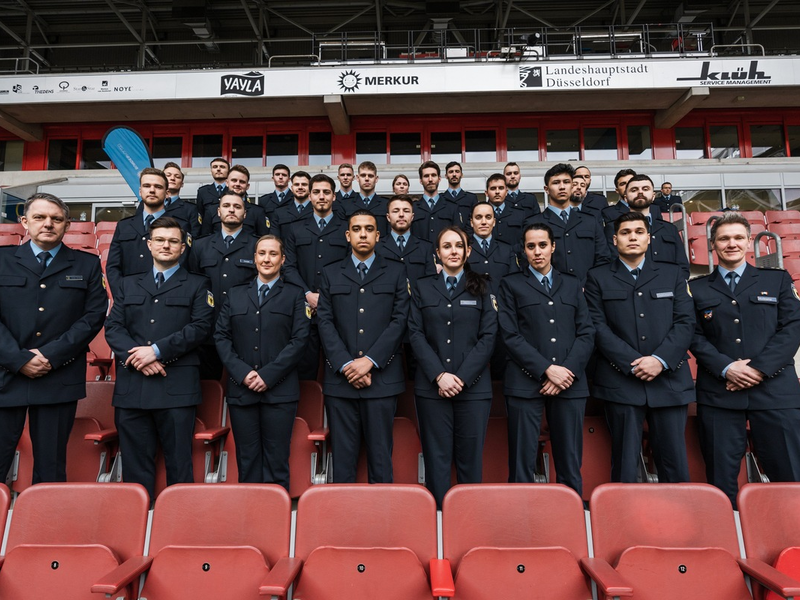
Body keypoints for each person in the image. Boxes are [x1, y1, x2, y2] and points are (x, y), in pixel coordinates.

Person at [689, 212, 800, 506]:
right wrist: (726, 368)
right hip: (720, 394)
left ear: (749, 242)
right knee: (720, 481)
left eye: (738, 237)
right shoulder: (696, 288)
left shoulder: (777, 280)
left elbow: (792, 328)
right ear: (713, 244)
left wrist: (759, 370)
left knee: (789, 476)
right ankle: (727, 543)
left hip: (775, 393)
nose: (731, 244)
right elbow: (692, 335)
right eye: (724, 238)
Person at [0, 193, 107, 485]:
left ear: (67, 224)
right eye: (39, 217)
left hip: (57, 375)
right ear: (24, 222)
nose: (48, 224)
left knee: (51, 467)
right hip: (5, 375)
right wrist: (19, 359)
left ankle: (45, 529)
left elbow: (93, 316)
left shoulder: (86, 265)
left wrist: (50, 356)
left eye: (56, 219)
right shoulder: (2, 259)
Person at [105, 216, 214, 501]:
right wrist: (140, 356)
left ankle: (180, 531)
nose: (167, 245)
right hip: (133, 388)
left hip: (175, 388)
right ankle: (138, 529)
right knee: (135, 468)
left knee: (179, 465)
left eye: (173, 241)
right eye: (161, 240)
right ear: (149, 245)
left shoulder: (198, 285)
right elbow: (113, 328)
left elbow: (200, 328)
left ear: (182, 248)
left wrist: (156, 351)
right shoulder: (129, 285)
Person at [585, 212, 694, 484]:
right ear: (614, 239)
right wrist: (634, 362)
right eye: (625, 232)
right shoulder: (597, 277)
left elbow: (685, 323)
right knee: (624, 463)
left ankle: (680, 522)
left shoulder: (672, 274)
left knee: (674, 461)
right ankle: (624, 522)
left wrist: (659, 360)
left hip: (668, 380)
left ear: (648, 238)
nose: (632, 237)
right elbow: (597, 326)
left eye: (638, 231)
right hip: (621, 381)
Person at [499, 223, 594, 494]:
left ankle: (571, 518)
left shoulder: (573, 283)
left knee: (569, 459)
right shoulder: (511, 284)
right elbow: (509, 334)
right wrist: (546, 370)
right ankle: (522, 521)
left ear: (553, 247)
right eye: (531, 246)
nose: (537, 252)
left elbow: (586, 332)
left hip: (569, 382)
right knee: (521, 461)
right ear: (524, 250)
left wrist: (566, 372)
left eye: (542, 245)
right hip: (525, 383)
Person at [317, 209, 409, 484]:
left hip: (382, 379)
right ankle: (343, 522)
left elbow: (399, 320)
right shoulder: (332, 273)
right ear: (348, 235)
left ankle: (383, 522)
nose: (363, 234)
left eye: (369, 229)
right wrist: (347, 364)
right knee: (343, 460)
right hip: (341, 381)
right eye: (356, 229)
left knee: (381, 458)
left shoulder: (395, 271)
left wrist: (370, 361)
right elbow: (324, 322)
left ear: (378, 236)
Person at [409, 226, 497, 508]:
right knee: (437, 457)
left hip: (473, 389)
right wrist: (440, 375)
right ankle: (437, 517)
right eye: (446, 246)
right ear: (437, 253)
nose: (453, 251)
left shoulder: (482, 286)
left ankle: (469, 518)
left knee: (470, 457)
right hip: (432, 388)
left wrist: (460, 377)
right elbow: (415, 334)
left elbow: (488, 336)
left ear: (468, 251)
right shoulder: (423, 287)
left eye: (458, 246)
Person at [214, 235, 311, 489]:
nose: (267, 259)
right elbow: (221, 337)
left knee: (277, 459)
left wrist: (267, 375)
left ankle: (275, 519)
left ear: (282, 259)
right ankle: (249, 519)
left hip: (280, 392)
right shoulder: (235, 294)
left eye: (273, 254)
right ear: (254, 258)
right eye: (262, 253)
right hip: (241, 389)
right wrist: (242, 373)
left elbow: (299, 340)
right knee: (247, 460)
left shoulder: (294, 295)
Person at [283, 173, 350, 380]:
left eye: (326, 192)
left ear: (334, 196)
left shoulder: (346, 227)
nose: (322, 196)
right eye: (317, 192)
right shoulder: (295, 228)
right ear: (310, 196)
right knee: (305, 369)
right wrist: (307, 294)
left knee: (338, 368)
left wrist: (327, 297)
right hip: (304, 309)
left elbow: (349, 267)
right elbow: (288, 267)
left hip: (338, 308)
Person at [188, 192, 258, 379]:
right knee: (208, 385)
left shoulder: (257, 246)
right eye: (226, 206)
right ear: (218, 212)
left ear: (245, 213)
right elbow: (193, 284)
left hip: (245, 327)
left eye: (237, 206)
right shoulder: (199, 246)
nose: (232, 210)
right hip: (208, 327)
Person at [106, 167, 194, 299]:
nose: (152, 190)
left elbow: (183, 263)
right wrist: (122, 294)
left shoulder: (181, 225)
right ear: (140, 191)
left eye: (158, 187)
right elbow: (113, 266)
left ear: (167, 193)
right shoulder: (123, 226)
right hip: (130, 298)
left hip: (167, 297)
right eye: (147, 186)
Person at [523, 163, 611, 284]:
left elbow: (603, 258)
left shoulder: (590, 221)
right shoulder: (533, 223)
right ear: (546, 189)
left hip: (589, 291)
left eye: (567, 182)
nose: (562, 187)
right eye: (556, 182)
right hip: (549, 293)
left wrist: (590, 284)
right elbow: (526, 260)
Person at [604, 174, 690, 280]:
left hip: (667, 289)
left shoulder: (670, 229)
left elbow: (683, 266)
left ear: (653, 196)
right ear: (625, 197)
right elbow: (611, 263)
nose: (640, 192)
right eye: (634, 190)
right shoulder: (612, 228)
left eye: (645, 189)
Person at [375, 195, 437, 285]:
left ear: (412, 217)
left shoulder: (425, 247)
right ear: (388, 217)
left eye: (406, 211)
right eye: (396, 211)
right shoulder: (377, 246)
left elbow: (431, 283)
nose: (401, 215)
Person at [199, 165, 271, 238]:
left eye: (242, 182)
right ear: (227, 183)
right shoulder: (211, 210)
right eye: (234, 180)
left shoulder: (258, 212)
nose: (237, 184)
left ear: (247, 186)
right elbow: (205, 239)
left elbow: (263, 240)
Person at [411, 161, 462, 243]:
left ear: (439, 178)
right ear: (420, 180)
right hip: (420, 255)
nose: (430, 179)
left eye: (433, 175)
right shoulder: (413, 208)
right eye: (426, 176)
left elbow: (458, 236)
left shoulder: (452, 207)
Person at [335, 161, 389, 235]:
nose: (367, 179)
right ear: (357, 178)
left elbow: (389, 234)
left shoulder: (386, 205)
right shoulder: (345, 204)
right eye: (363, 175)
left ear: (376, 179)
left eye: (370, 176)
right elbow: (341, 234)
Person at [481, 173, 526, 246]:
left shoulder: (519, 214)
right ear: (486, 193)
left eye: (501, 188)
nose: (497, 192)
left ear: (506, 192)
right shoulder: (478, 215)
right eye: (493, 188)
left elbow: (525, 240)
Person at [160, 162, 202, 238]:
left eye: (177, 177)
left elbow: (195, 236)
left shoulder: (191, 209)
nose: (172, 178)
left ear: (182, 184)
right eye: (168, 175)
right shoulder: (146, 205)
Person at [271, 171, 314, 239]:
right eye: (296, 184)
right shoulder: (279, 212)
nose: (300, 187)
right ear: (292, 188)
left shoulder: (318, 211)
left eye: (304, 184)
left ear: (310, 188)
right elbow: (275, 239)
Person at [195, 157, 230, 222]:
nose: (218, 169)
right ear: (211, 171)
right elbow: (200, 214)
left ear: (228, 171)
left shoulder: (233, 189)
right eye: (215, 167)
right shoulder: (203, 191)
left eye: (222, 167)